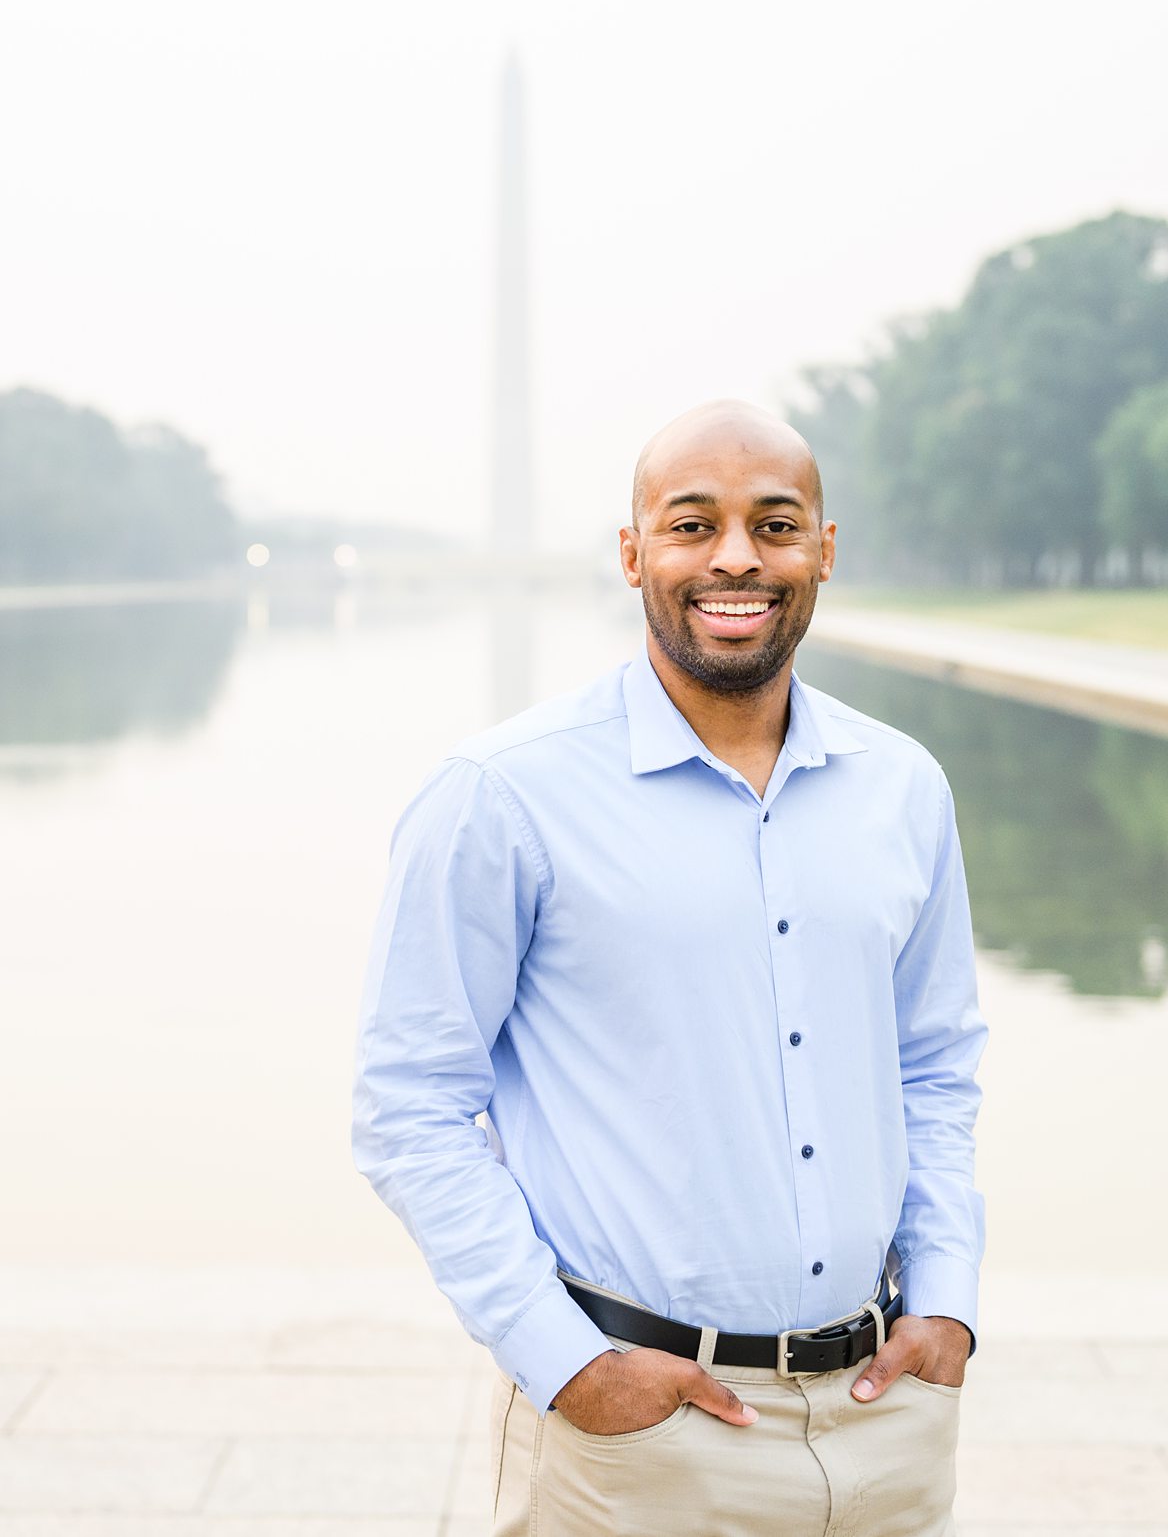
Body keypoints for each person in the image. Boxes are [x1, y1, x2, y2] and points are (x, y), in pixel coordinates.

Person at [351, 399, 987, 1535]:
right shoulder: (503, 797)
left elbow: (934, 1070)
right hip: (637, 1439)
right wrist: (568, 1365)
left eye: (775, 523)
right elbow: (411, 1107)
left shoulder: (906, 787)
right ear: (635, 551)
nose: (737, 556)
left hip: (884, 1413)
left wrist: (945, 1306)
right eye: (693, 524)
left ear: (824, 552)